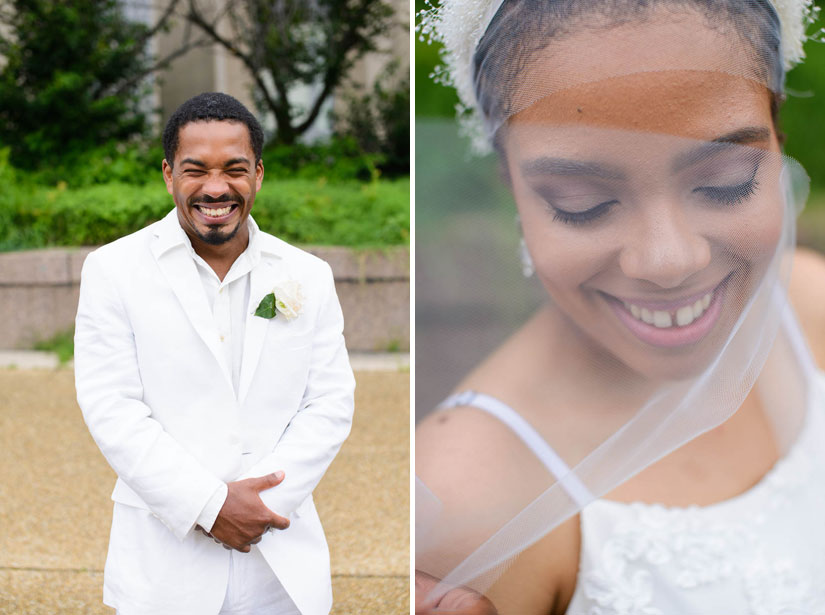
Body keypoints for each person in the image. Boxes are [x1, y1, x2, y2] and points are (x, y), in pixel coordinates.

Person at [415, 1, 825, 613]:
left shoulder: (807, 301)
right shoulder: (470, 502)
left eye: (727, 182)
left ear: (777, 138)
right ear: (510, 184)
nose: (668, 260)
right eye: (583, 202)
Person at [74, 92, 355, 615]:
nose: (216, 188)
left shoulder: (308, 275)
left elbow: (330, 403)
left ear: (259, 174)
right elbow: (112, 408)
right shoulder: (113, 270)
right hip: (167, 565)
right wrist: (210, 505)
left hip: (281, 565)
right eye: (195, 170)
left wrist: (261, 506)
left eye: (234, 169)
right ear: (167, 174)